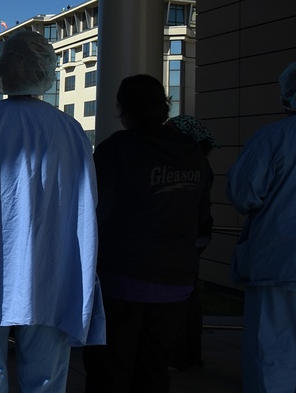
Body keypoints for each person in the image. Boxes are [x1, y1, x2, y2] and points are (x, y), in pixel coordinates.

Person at [0, 30, 104, 391]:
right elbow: (86, 199)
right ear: (46, 73)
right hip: (53, 264)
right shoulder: (70, 129)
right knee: (47, 372)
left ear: (0, 71)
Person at [82, 75, 213, 393]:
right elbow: (201, 215)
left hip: (122, 280)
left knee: (110, 368)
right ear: (164, 105)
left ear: (121, 108)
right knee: (153, 368)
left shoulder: (116, 150)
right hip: (176, 281)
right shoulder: (192, 154)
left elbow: (94, 215)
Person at [227, 61, 296, 392]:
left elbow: (243, 195)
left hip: (284, 269)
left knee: (272, 365)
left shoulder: (274, 137)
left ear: (287, 95)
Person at [166, 114, 219, 370]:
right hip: (197, 236)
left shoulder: (185, 162)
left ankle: (179, 354)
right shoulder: (201, 163)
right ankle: (188, 353)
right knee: (189, 296)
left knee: (179, 299)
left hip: (184, 238)